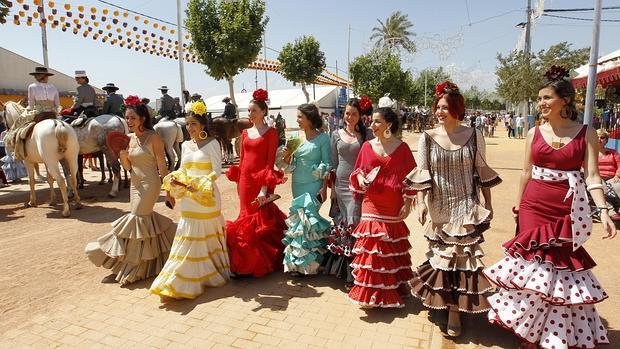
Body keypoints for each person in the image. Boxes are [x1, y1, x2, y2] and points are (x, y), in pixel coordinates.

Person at [483, 66, 615, 349]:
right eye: (539, 98)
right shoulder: (533, 132)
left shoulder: (585, 133)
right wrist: (518, 204)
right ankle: (528, 328)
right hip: (534, 204)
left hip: (567, 208)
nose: (541, 103)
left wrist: (603, 210)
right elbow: (525, 171)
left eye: (546, 98)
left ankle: (550, 331)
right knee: (534, 265)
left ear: (564, 100)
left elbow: (592, 176)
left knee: (559, 266)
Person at [407, 81, 501, 336]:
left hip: (465, 205)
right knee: (443, 259)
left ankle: (454, 312)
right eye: (437, 107)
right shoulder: (426, 138)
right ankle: (446, 301)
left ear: (457, 109)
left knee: (461, 259)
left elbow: (481, 171)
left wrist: (488, 203)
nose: (440, 112)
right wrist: (423, 204)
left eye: (445, 107)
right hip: (439, 206)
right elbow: (424, 173)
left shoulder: (474, 135)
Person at [85, 96, 176, 285]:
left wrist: (169, 192)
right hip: (135, 185)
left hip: (150, 185)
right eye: (127, 118)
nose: (129, 122)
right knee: (143, 224)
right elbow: (127, 168)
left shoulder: (154, 137)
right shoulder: (129, 139)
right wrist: (122, 156)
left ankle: (132, 269)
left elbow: (162, 167)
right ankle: (156, 261)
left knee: (136, 219)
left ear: (142, 119)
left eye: (132, 118)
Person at [150, 101, 230, 299]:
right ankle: (178, 278)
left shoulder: (212, 143)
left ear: (202, 124)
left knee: (203, 233)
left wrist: (200, 184)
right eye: (188, 124)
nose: (190, 128)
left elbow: (217, 171)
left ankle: (203, 276)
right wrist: (175, 178)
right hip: (187, 197)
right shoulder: (185, 145)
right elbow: (183, 168)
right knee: (187, 235)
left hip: (206, 196)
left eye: (194, 123)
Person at [347, 106, 416, 308]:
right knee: (373, 249)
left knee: (390, 249)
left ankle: (389, 291)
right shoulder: (367, 146)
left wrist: (409, 202)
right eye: (372, 121)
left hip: (393, 206)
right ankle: (370, 295)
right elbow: (358, 170)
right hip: (371, 203)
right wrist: (360, 178)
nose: (372, 125)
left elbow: (412, 178)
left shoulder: (402, 148)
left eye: (377, 121)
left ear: (389, 124)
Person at [225, 89, 287, 278]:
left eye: (253, 111)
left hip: (260, 183)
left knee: (257, 219)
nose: (250, 114)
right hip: (244, 181)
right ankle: (242, 264)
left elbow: (269, 163)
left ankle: (255, 264)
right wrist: (238, 181)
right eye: (248, 111)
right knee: (244, 217)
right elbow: (242, 159)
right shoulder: (244, 133)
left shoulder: (271, 133)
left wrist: (263, 190)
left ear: (263, 112)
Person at [323, 97, 373, 287]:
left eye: (354, 114)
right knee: (342, 223)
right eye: (347, 114)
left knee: (354, 223)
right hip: (340, 185)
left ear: (360, 116)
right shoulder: (335, 134)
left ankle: (356, 272)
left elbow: (371, 158)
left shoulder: (366, 135)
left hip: (357, 186)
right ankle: (344, 270)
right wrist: (332, 188)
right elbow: (333, 164)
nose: (350, 117)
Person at [279, 104, 331, 276]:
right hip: (298, 183)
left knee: (309, 220)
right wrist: (287, 156)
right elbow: (290, 164)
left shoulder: (323, 139)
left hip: (314, 184)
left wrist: (324, 189)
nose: (297, 120)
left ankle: (311, 264)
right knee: (299, 221)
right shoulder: (296, 137)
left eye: (300, 117)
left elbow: (327, 164)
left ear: (309, 118)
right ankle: (300, 264)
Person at [4, 67, 61, 161]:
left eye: (36, 76)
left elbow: (31, 105)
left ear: (38, 77)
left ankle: (19, 152)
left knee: (18, 127)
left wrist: (29, 109)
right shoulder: (53, 87)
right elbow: (58, 105)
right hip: (52, 113)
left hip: (39, 113)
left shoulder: (32, 86)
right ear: (46, 77)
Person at [595, 129, 620, 219]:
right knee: (601, 186)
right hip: (597, 178)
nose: (599, 139)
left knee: (618, 186)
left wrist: (617, 175)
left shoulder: (613, 153)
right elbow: (583, 166)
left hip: (612, 177)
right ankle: (610, 209)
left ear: (606, 140)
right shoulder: (590, 153)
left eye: (602, 137)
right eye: (597, 137)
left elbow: (619, 165)